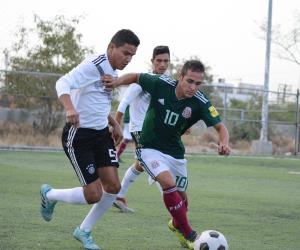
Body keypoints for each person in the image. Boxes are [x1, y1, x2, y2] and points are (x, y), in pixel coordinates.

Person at [103, 60, 230, 249]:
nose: (193, 87)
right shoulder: (161, 83)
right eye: (189, 81)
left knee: (182, 201)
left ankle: (176, 225)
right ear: (180, 76)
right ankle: (190, 234)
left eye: (198, 83)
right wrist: (116, 81)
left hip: (175, 152)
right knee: (168, 183)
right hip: (148, 147)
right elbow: (136, 76)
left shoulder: (201, 101)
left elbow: (221, 128)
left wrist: (224, 144)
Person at [39, 29, 140, 250]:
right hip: (79, 134)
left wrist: (114, 124)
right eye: (125, 53)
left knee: (113, 186)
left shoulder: (112, 72)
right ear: (112, 47)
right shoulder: (93, 65)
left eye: (132, 55)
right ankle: (50, 194)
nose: (128, 59)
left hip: (101, 134)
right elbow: (62, 83)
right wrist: (69, 108)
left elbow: (97, 102)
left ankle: (83, 231)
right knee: (93, 194)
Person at [112, 45, 171, 213]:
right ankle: (173, 205)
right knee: (157, 163)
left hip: (154, 131)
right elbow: (123, 103)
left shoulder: (165, 83)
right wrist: (115, 125)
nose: (162, 64)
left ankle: (119, 195)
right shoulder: (142, 80)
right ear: (152, 61)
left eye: (165, 61)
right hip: (139, 129)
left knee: (141, 165)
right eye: (159, 60)